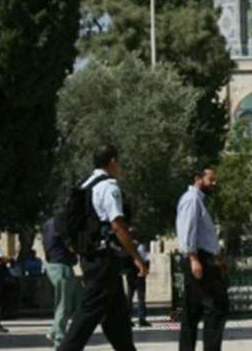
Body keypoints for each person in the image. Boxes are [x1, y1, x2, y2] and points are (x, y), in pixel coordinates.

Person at [58, 144, 149, 351]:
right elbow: (117, 225)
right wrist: (135, 256)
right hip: (103, 260)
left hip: (93, 257)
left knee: (117, 318)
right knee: (88, 312)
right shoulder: (109, 186)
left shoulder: (85, 184)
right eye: (119, 162)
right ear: (113, 162)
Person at [175, 168, 229, 351]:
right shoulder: (192, 200)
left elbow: (205, 235)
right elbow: (187, 230)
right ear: (198, 179)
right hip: (198, 259)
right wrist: (194, 259)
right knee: (215, 308)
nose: (214, 183)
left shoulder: (199, 200)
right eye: (210, 179)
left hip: (203, 257)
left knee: (192, 311)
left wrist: (218, 257)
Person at [41, 217, 78, 348]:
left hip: (54, 265)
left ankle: (55, 331)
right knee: (64, 305)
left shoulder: (47, 223)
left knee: (67, 302)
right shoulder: (60, 223)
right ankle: (58, 336)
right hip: (62, 266)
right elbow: (70, 245)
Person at [126, 238, 151, 327]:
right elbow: (145, 259)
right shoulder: (140, 247)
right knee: (140, 297)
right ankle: (141, 319)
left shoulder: (128, 247)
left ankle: (128, 319)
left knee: (130, 297)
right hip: (139, 274)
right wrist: (145, 269)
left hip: (130, 274)